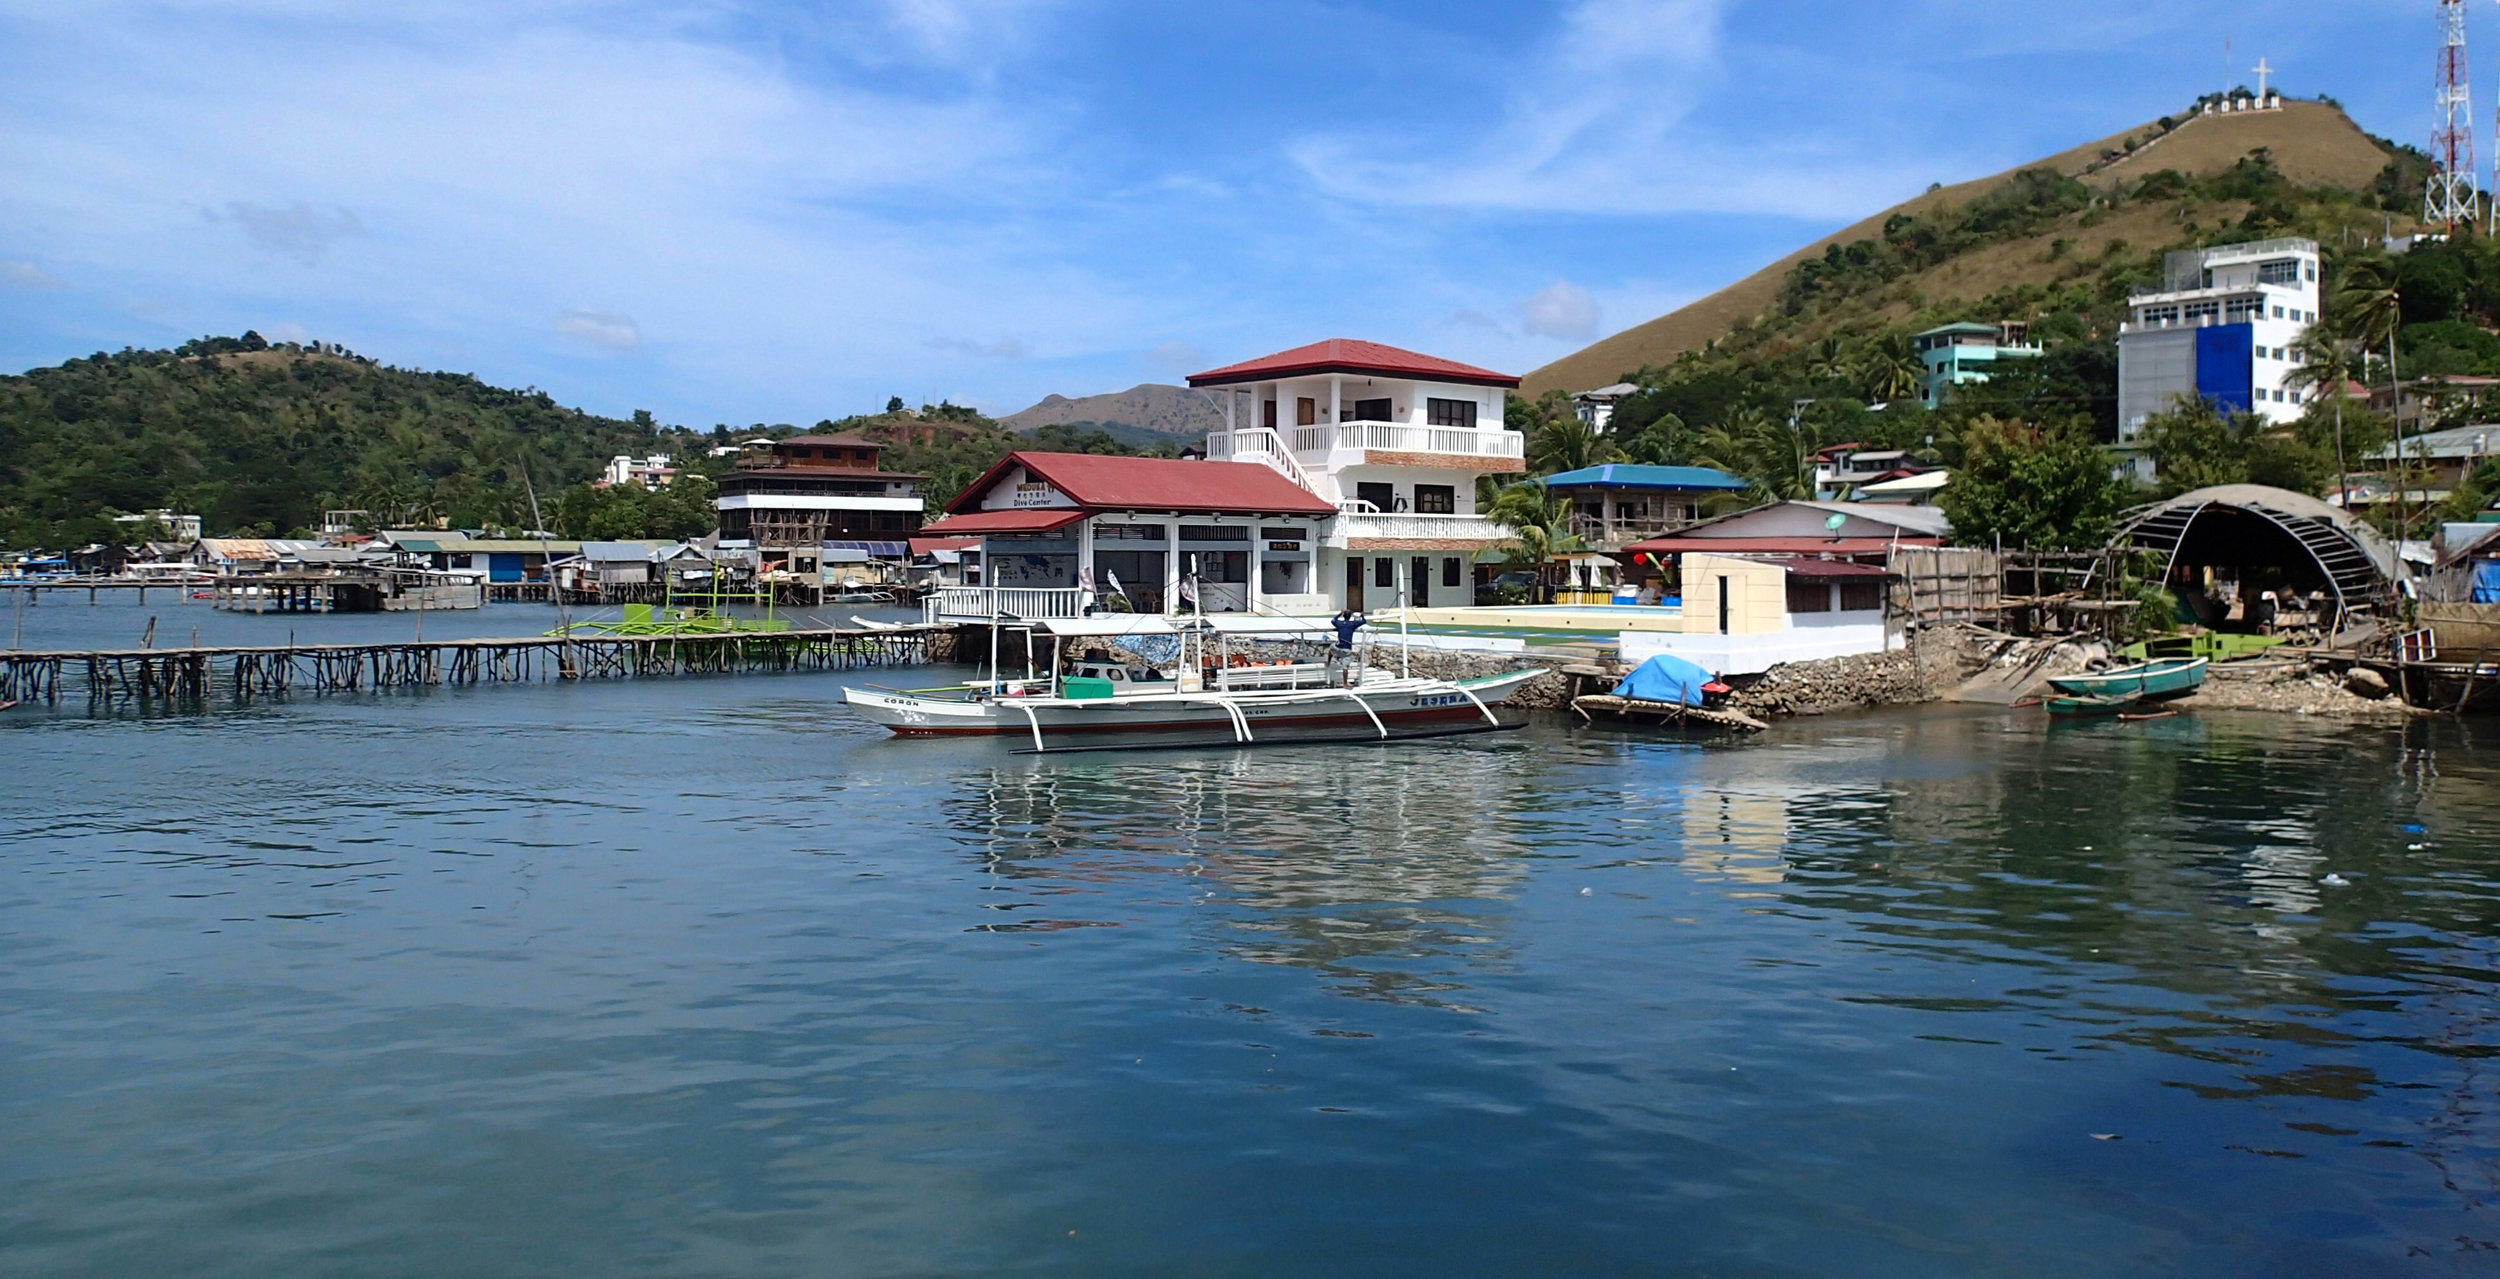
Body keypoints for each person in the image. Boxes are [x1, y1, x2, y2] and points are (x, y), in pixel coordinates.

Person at [1326, 609, 1366, 686]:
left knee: (1331, 648)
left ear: (1343, 616)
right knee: (1345, 668)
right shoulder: (1352, 624)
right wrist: (1362, 616)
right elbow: (1364, 621)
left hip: (1338, 648)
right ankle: (1345, 683)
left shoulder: (1339, 623)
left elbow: (1333, 620)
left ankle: (1328, 662)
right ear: (1350, 616)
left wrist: (1340, 614)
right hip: (1346, 650)